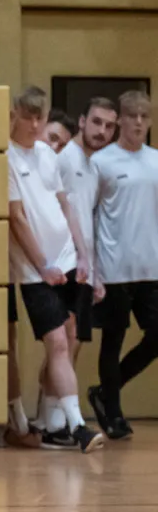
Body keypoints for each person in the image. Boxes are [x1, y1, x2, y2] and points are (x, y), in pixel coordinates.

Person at [7, 85, 103, 452]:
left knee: (71, 338)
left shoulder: (47, 153)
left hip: (67, 261)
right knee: (57, 342)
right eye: (27, 117)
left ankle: (55, 422)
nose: (34, 125)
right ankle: (77, 425)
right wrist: (43, 266)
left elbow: (66, 207)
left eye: (40, 117)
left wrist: (83, 255)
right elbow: (17, 219)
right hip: (36, 271)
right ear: (14, 116)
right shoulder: (6, 158)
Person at [91, 90, 158, 439]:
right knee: (112, 341)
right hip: (114, 268)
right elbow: (89, 214)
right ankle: (114, 414)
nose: (139, 122)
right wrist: (93, 268)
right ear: (121, 120)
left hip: (151, 269)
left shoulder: (156, 161)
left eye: (144, 116)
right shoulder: (102, 162)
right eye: (132, 116)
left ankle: (105, 392)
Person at [56, 95, 114, 383]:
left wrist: (95, 272)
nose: (101, 131)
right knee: (64, 345)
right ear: (82, 121)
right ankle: (59, 410)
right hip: (67, 262)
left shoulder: (95, 166)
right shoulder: (66, 158)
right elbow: (58, 210)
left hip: (85, 269)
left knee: (72, 346)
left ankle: (50, 408)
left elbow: (89, 219)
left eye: (109, 126)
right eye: (96, 122)